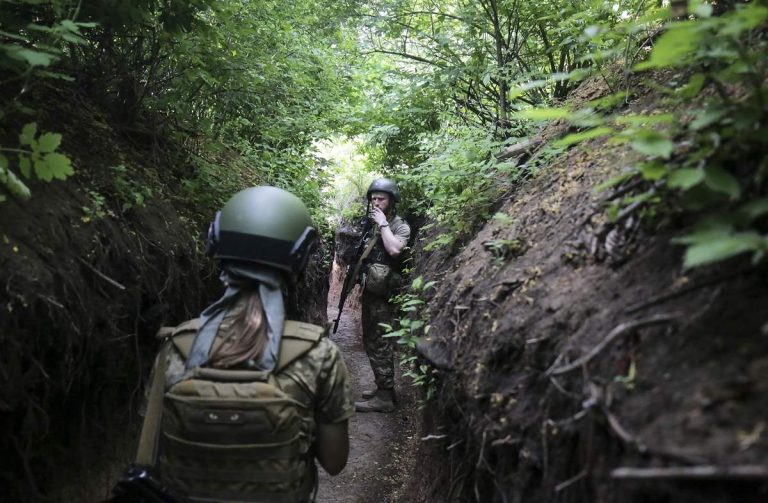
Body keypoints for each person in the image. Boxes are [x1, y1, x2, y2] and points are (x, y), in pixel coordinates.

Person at [134, 186, 354, 503]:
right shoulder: (318, 354)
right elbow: (334, 462)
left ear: (218, 246)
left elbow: (152, 450)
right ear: (300, 260)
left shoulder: (177, 345)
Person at [354, 178, 411, 413]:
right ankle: (382, 387)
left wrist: (384, 225)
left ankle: (385, 398)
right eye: (373, 198)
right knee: (370, 340)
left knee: (381, 342)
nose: (376, 202)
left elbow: (395, 249)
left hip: (385, 295)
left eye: (382, 199)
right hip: (371, 292)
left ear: (391, 201)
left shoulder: (399, 225)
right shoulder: (371, 224)